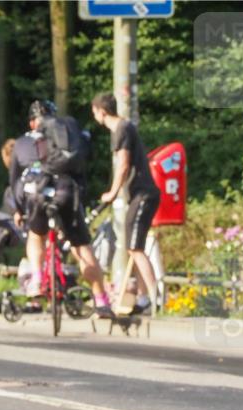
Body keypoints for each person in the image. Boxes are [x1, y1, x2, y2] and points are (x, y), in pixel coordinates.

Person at [10, 100, 111, 316]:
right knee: (82, 248)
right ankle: (101, 300)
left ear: (32, 123)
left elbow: (14, 180)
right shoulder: (70, 134)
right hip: (66, 193)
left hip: (38, 194)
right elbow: (84, 167)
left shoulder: (21, 143)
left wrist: (19, 209)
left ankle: (37, 279)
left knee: (36, 236)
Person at [91, 92, 161, 315]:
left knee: (135, 247)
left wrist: (112, 193)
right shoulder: (126, 128)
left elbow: (123, 164)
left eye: (94, 113)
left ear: (101, 112)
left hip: (142, 194)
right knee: (134, 247)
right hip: (141, 194)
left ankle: (153, 298)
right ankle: (142, 298)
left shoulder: (121, 130)